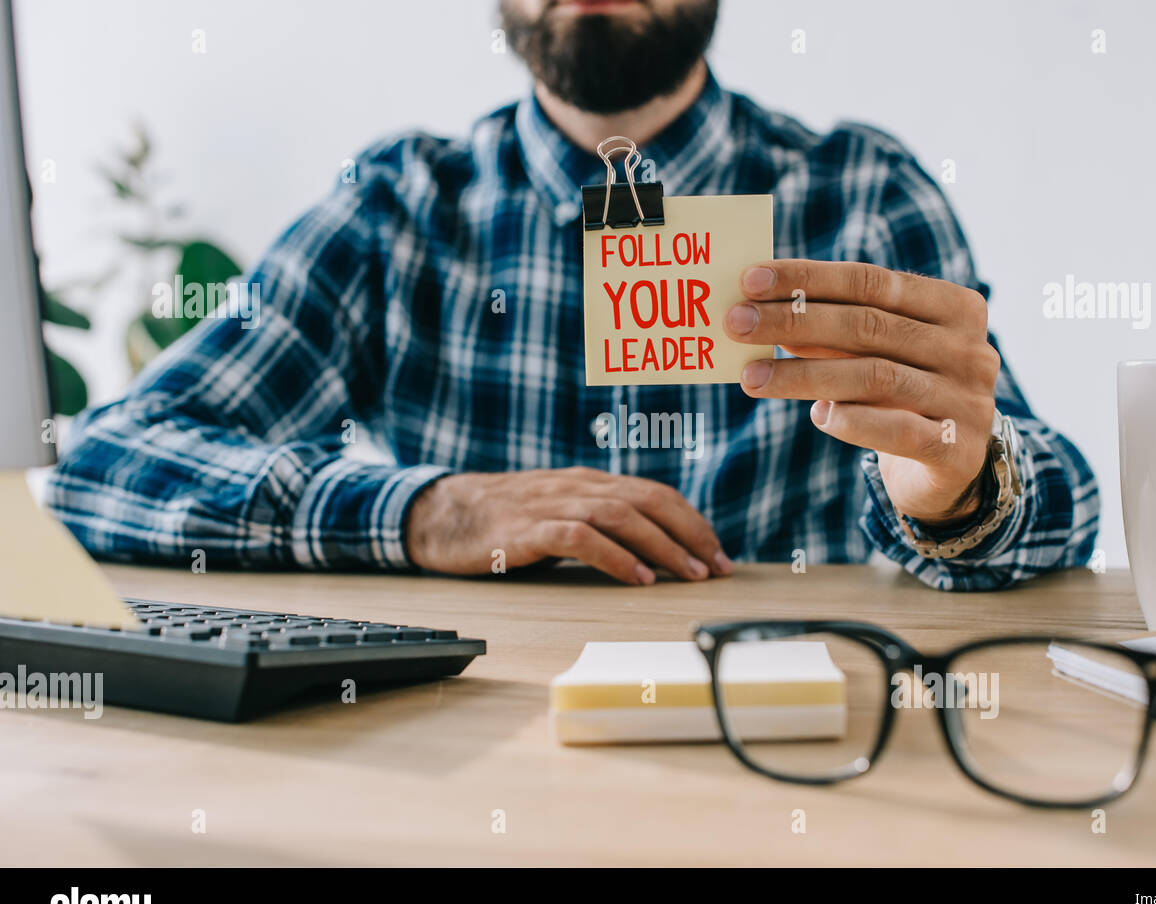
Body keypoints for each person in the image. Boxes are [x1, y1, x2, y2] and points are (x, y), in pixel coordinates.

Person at [47, 0, 1098, 591]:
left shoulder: (859, 191)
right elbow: (98, 464)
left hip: (782, 731)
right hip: (455, 744)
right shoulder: (397, 206)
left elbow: (1062, 509)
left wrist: (953, 494)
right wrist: (426, 508)